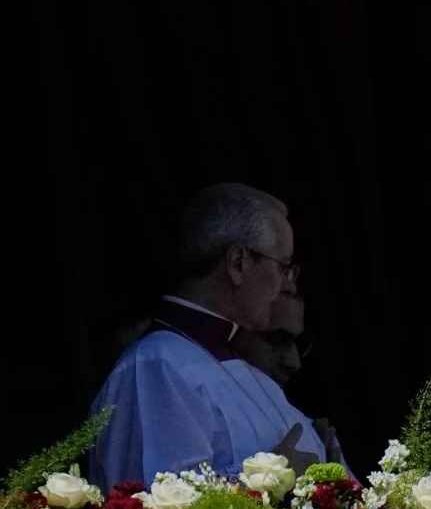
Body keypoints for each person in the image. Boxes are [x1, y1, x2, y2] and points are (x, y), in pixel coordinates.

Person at [91, 184, 333, 488]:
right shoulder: (156, 365)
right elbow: (156, 497)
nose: (289, 285)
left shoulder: (251, 374)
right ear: (238, 263)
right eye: (283, 267)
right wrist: (277, 483)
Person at [232, 291, 347, 467]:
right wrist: (270, 475)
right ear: (234, 332)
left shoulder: (314, 431)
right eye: (277, 339)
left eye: (301, 345)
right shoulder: (197, 396)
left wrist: (334, 480)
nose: (294, 363)